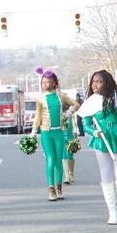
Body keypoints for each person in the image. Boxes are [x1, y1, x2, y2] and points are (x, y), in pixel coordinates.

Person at [80, 69, 117, 225]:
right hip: (101, 139)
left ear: (107, 82)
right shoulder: (90, 102)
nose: (95, 84)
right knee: (106, 175)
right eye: (93, 82)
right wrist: (94, 131)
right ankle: (112, 213)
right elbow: (86, 125)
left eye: (99, 81)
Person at [29, 68, 79, 201]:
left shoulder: (60, 96)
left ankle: (59, 188)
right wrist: (33, 133)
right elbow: (38, 117)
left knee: (58, 161)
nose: (45, 84)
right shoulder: (40, 99)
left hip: (59, 132)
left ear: (54, 83)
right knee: (50, 159)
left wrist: (68, 113)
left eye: (48, 82)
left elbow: (75, 104)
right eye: (43, 82)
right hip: (46, 133)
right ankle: (51, 189)